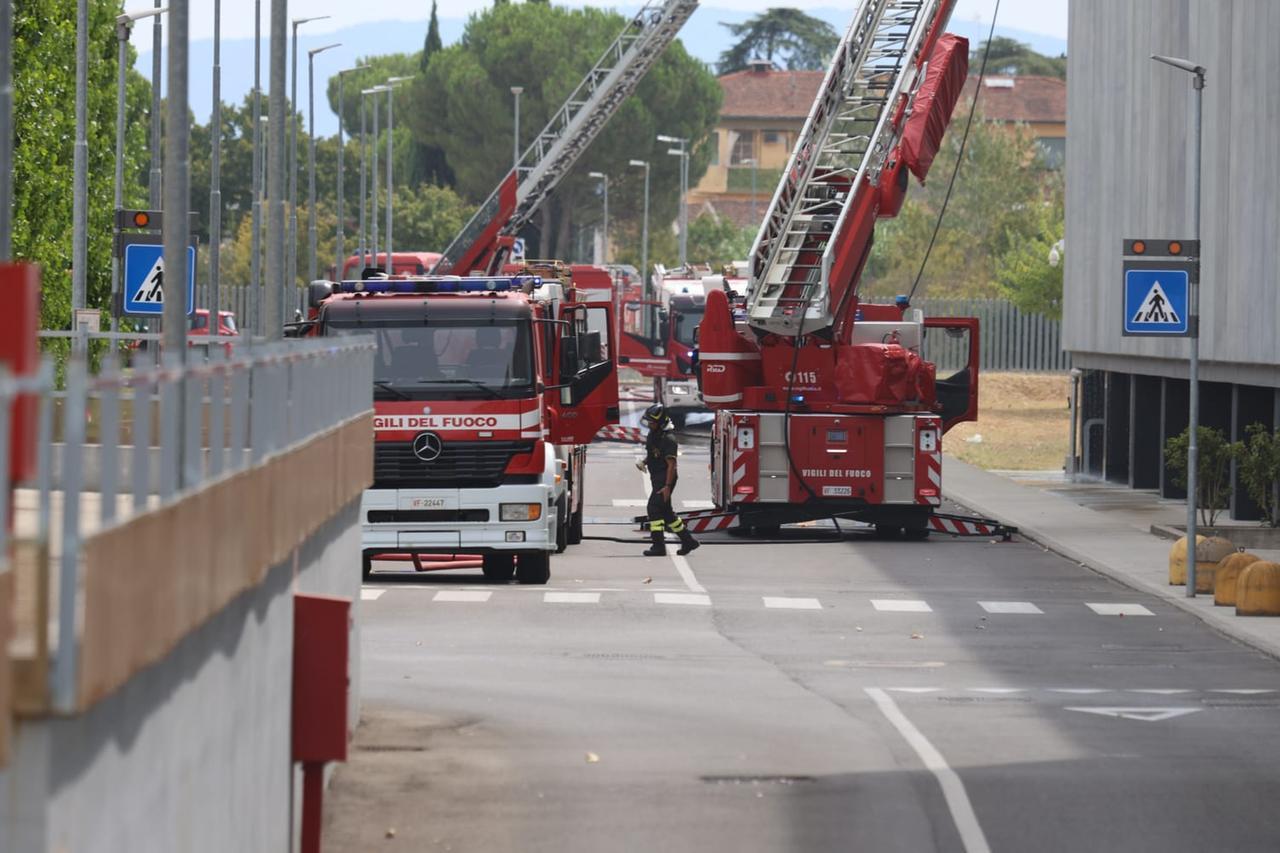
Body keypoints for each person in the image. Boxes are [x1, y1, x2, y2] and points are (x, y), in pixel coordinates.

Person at [638, 403, 699, 557]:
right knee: (667, 514)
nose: (649, 424)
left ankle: (658, 546)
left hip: (665, 479)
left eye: (652, 422)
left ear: (660, 422)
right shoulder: (654, 435)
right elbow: (654, 453)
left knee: (653, 509)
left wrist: (667, 486)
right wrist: (644, 462)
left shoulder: (669, 439)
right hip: (656, 477)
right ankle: (688, 541)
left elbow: (672, 465)